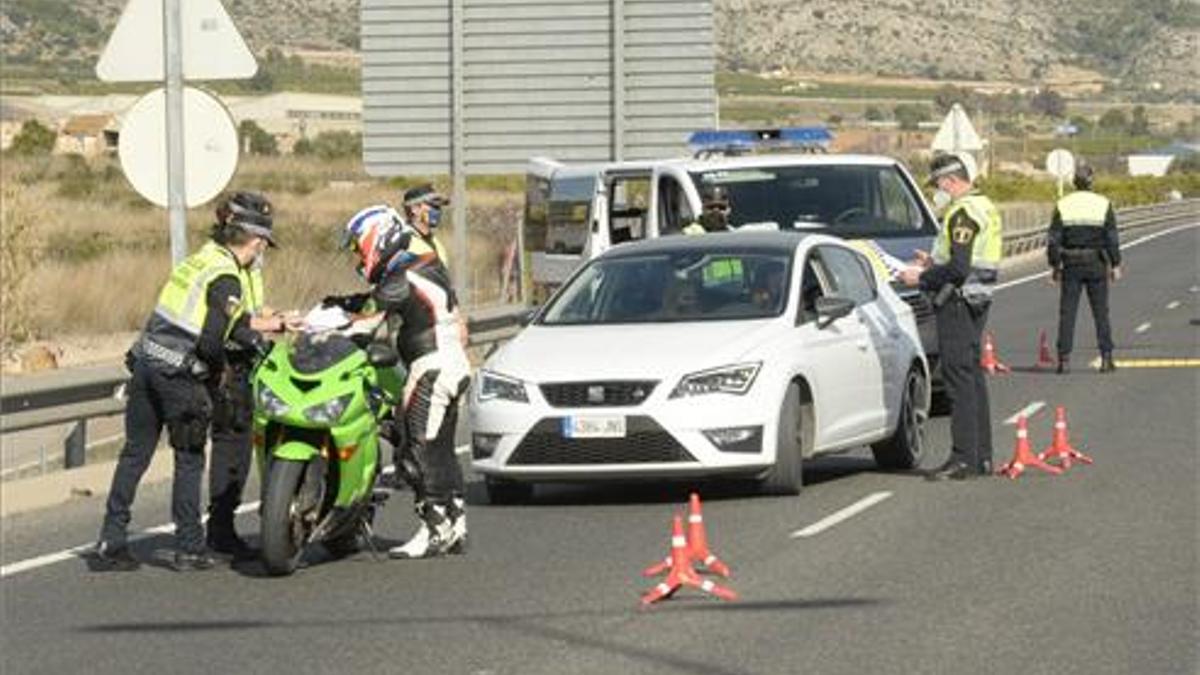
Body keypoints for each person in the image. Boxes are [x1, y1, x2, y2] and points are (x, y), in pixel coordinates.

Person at [94, 193, 277, 571]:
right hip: (179, 375)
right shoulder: (226, 277)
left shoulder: (199, 261)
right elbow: (212, 339)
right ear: (255, 241)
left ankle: (111, 541)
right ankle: (190, 546)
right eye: (263, 244)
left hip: (147, 361)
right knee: (189, 458)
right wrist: (215, 372)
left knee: (135, 455)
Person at [329, 205, 470, 559]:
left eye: (359, 247)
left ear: (376, 238)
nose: (358, 257)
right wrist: (345, 302)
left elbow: (364, 323)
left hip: (430, 367)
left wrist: (326, 331)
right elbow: (381, 302)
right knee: (440, 450)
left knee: (415, 449)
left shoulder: (401, 277)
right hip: (452, 363)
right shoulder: (421, 265)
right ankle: (455, 520)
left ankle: (434, 527)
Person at [206, 193, 300, 560]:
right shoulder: (223, 267)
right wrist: (275, 323)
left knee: (238, 449)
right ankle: (220, 531)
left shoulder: (240, 266)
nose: (263, 248)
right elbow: (232, 320)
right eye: (262, 241)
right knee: (232, 449)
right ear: (253, 238)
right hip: (226, 368)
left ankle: (221, 528)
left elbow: (248, 311)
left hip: (240, 364)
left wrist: (274, 316)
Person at [899, 152, 1002, 480]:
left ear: (950, 181)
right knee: (973, 377)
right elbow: (964, 260)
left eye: (938, 184)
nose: (937, 191)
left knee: (958, 379)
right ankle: (982, 457)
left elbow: (958, 268)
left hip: (957, 301)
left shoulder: (962, 213)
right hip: (977, 298)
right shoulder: (984, 205)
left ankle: (962, 459)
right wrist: (933, 261)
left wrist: (921, 277)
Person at [1047, 164, 1120, 374]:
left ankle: (1064, 360)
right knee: (1100, 313)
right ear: (1091, 181)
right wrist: (1115, 264)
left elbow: (1054, 239)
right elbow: (1111, 238)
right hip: (1096, 263)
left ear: (1074, 182)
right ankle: (1106, 358)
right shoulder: (1102, 203)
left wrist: (1054, 266)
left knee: (1067, 313)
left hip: (1071, 264)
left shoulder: (1063, 204)